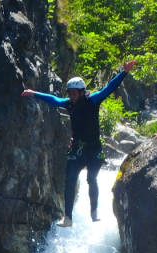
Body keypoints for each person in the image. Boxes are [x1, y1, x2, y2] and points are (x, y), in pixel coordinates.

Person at [21, 60, 136, 227]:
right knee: (70, 180)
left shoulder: (93, 101)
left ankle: (94, 211)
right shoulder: (69, 103)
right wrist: (34, 93)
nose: (71, 96)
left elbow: (109, 88)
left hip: (94, 149)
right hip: (77, 149)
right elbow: (53, 100)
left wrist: (124, 72)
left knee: (91, 179)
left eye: (74, 93)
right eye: (70, 93)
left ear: (82, 92)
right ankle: (67, 217)